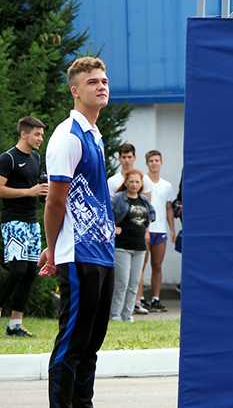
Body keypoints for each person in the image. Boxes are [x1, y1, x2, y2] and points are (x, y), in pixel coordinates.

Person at [39, 56, 116, 408]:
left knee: (91, 345)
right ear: (75, 91)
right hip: (77, 254)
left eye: (103, 81)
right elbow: (55, 203)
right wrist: (52, 249)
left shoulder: (95, 136)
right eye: (92, 82)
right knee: (72, 343)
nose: (101, 86)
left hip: (102, 252)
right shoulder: (67, 137)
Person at [0, 116, 49, 337]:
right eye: (37, 134)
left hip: (31, 222)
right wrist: (28, 192)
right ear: (24, 134)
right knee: (18, 269)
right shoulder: (8, 158)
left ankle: (15, 325)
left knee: (30, 272)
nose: (41, 138)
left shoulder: (36, 158)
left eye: (42, 134)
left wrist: (42, 190)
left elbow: (34, 186)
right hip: (13, 221)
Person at [110, 168, 155, 322]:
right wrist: (113, 227)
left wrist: (146, 229)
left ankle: (128, 314)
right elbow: (105, 214)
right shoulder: (118, 198)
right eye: (131, 181)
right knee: (122, 282)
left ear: (141, 183)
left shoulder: (144, 200)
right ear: (126, 182)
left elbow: (151, 215)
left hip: (140, 246)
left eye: (137, 182)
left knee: (134, 282)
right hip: (122, 246)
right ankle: (115, 314)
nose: (134, 184)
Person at [138, 149, 176, 312]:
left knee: (157, 265)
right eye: (151, 161)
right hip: (146, 229)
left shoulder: (166, 185)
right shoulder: (143, 181)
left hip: (160, 230)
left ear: (161, 162)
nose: (154, 163)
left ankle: (155, 298)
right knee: (141, 264)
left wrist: (172, 229)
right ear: (147, 163)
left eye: (157, 161)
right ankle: (139, 298)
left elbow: (169, 208)